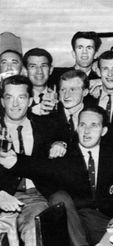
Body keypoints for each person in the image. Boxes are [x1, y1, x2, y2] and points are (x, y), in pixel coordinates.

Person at [0, 105, 113, 245]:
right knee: (59, 197)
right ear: (77, 128)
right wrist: (13, 160)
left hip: (107, 221)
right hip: (76, 224)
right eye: (82, 125)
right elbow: (37, 166)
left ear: (104, 131)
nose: (86, 131)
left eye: (94, 125)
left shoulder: (112, 155)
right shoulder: (64, 156)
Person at [0, 75, 66, 246]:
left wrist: (61, 143)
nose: (15, 104)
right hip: (1, 194)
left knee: (35, 231)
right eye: (9, 98)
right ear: (2, 101)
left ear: (30, 101)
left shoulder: (47, 128)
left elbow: (53, 169)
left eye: (21, 98)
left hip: (33, 198)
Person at [53, 69, 93, 144]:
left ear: (85, 92)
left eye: (72, 90)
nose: (66, 95)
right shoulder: (51, 116)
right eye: (63, 90)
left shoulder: (94, 115)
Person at [23, 48, 57, 115]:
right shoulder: (19, 99)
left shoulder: (61, 96)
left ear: (51, 70)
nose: (39, 71)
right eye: (33, 66)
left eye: (44, 66)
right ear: (25, 71)